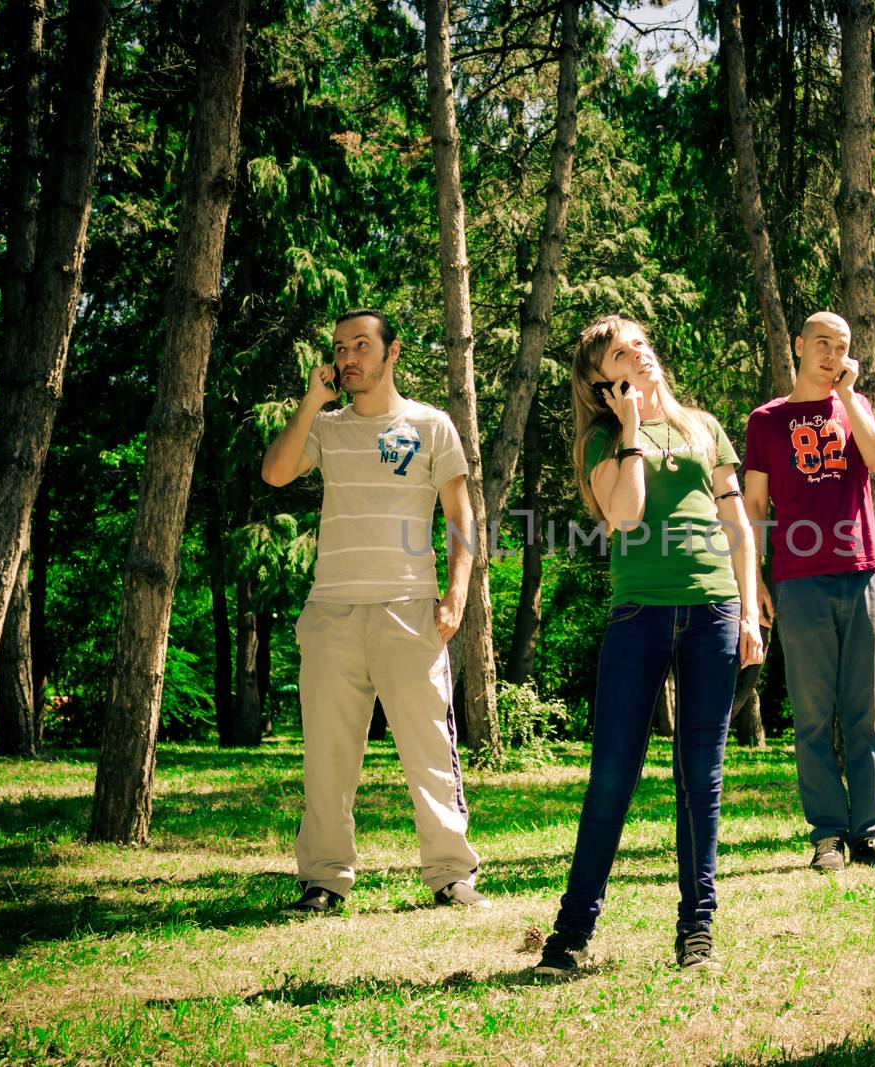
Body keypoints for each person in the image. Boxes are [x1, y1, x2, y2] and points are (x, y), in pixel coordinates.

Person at [534, 315, 764, 976]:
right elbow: (627, 514)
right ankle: (571, 933)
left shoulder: (703, 426)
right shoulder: (603, 443)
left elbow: (737, 524)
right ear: (604, 385)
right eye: (619, 353)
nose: (639, 352)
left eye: (639, 342)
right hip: (638, 615)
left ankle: (697, 929)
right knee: (613, 773)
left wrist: (749, 609)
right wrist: (632, 431)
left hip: (713, 610)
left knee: (702, 775)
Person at [261, 308, 488, 914]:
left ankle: (451, 875)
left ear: (392, 353)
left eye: (362, 345)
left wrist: (457, 592)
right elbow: (276, 472)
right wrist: (311, 402)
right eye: (340, 348)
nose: (348, 357)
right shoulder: (325, 428)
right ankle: (323, 879)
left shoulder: (431, 425)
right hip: (332, 613)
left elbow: (462, 516)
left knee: (430, 753)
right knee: (327, 758)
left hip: (410, 613)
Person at [742, 310, 875, 872]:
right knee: (813, 716)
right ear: (798, 345)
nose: (831, 356)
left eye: (841, 347)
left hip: (863, 573)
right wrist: (754, 580)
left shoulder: (854, 410)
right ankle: (828, 836)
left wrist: (852, 397)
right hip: (797, 580)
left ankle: (870, 833)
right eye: (821, 344)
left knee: (865, 714)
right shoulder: (765, 421)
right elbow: (755, 508)